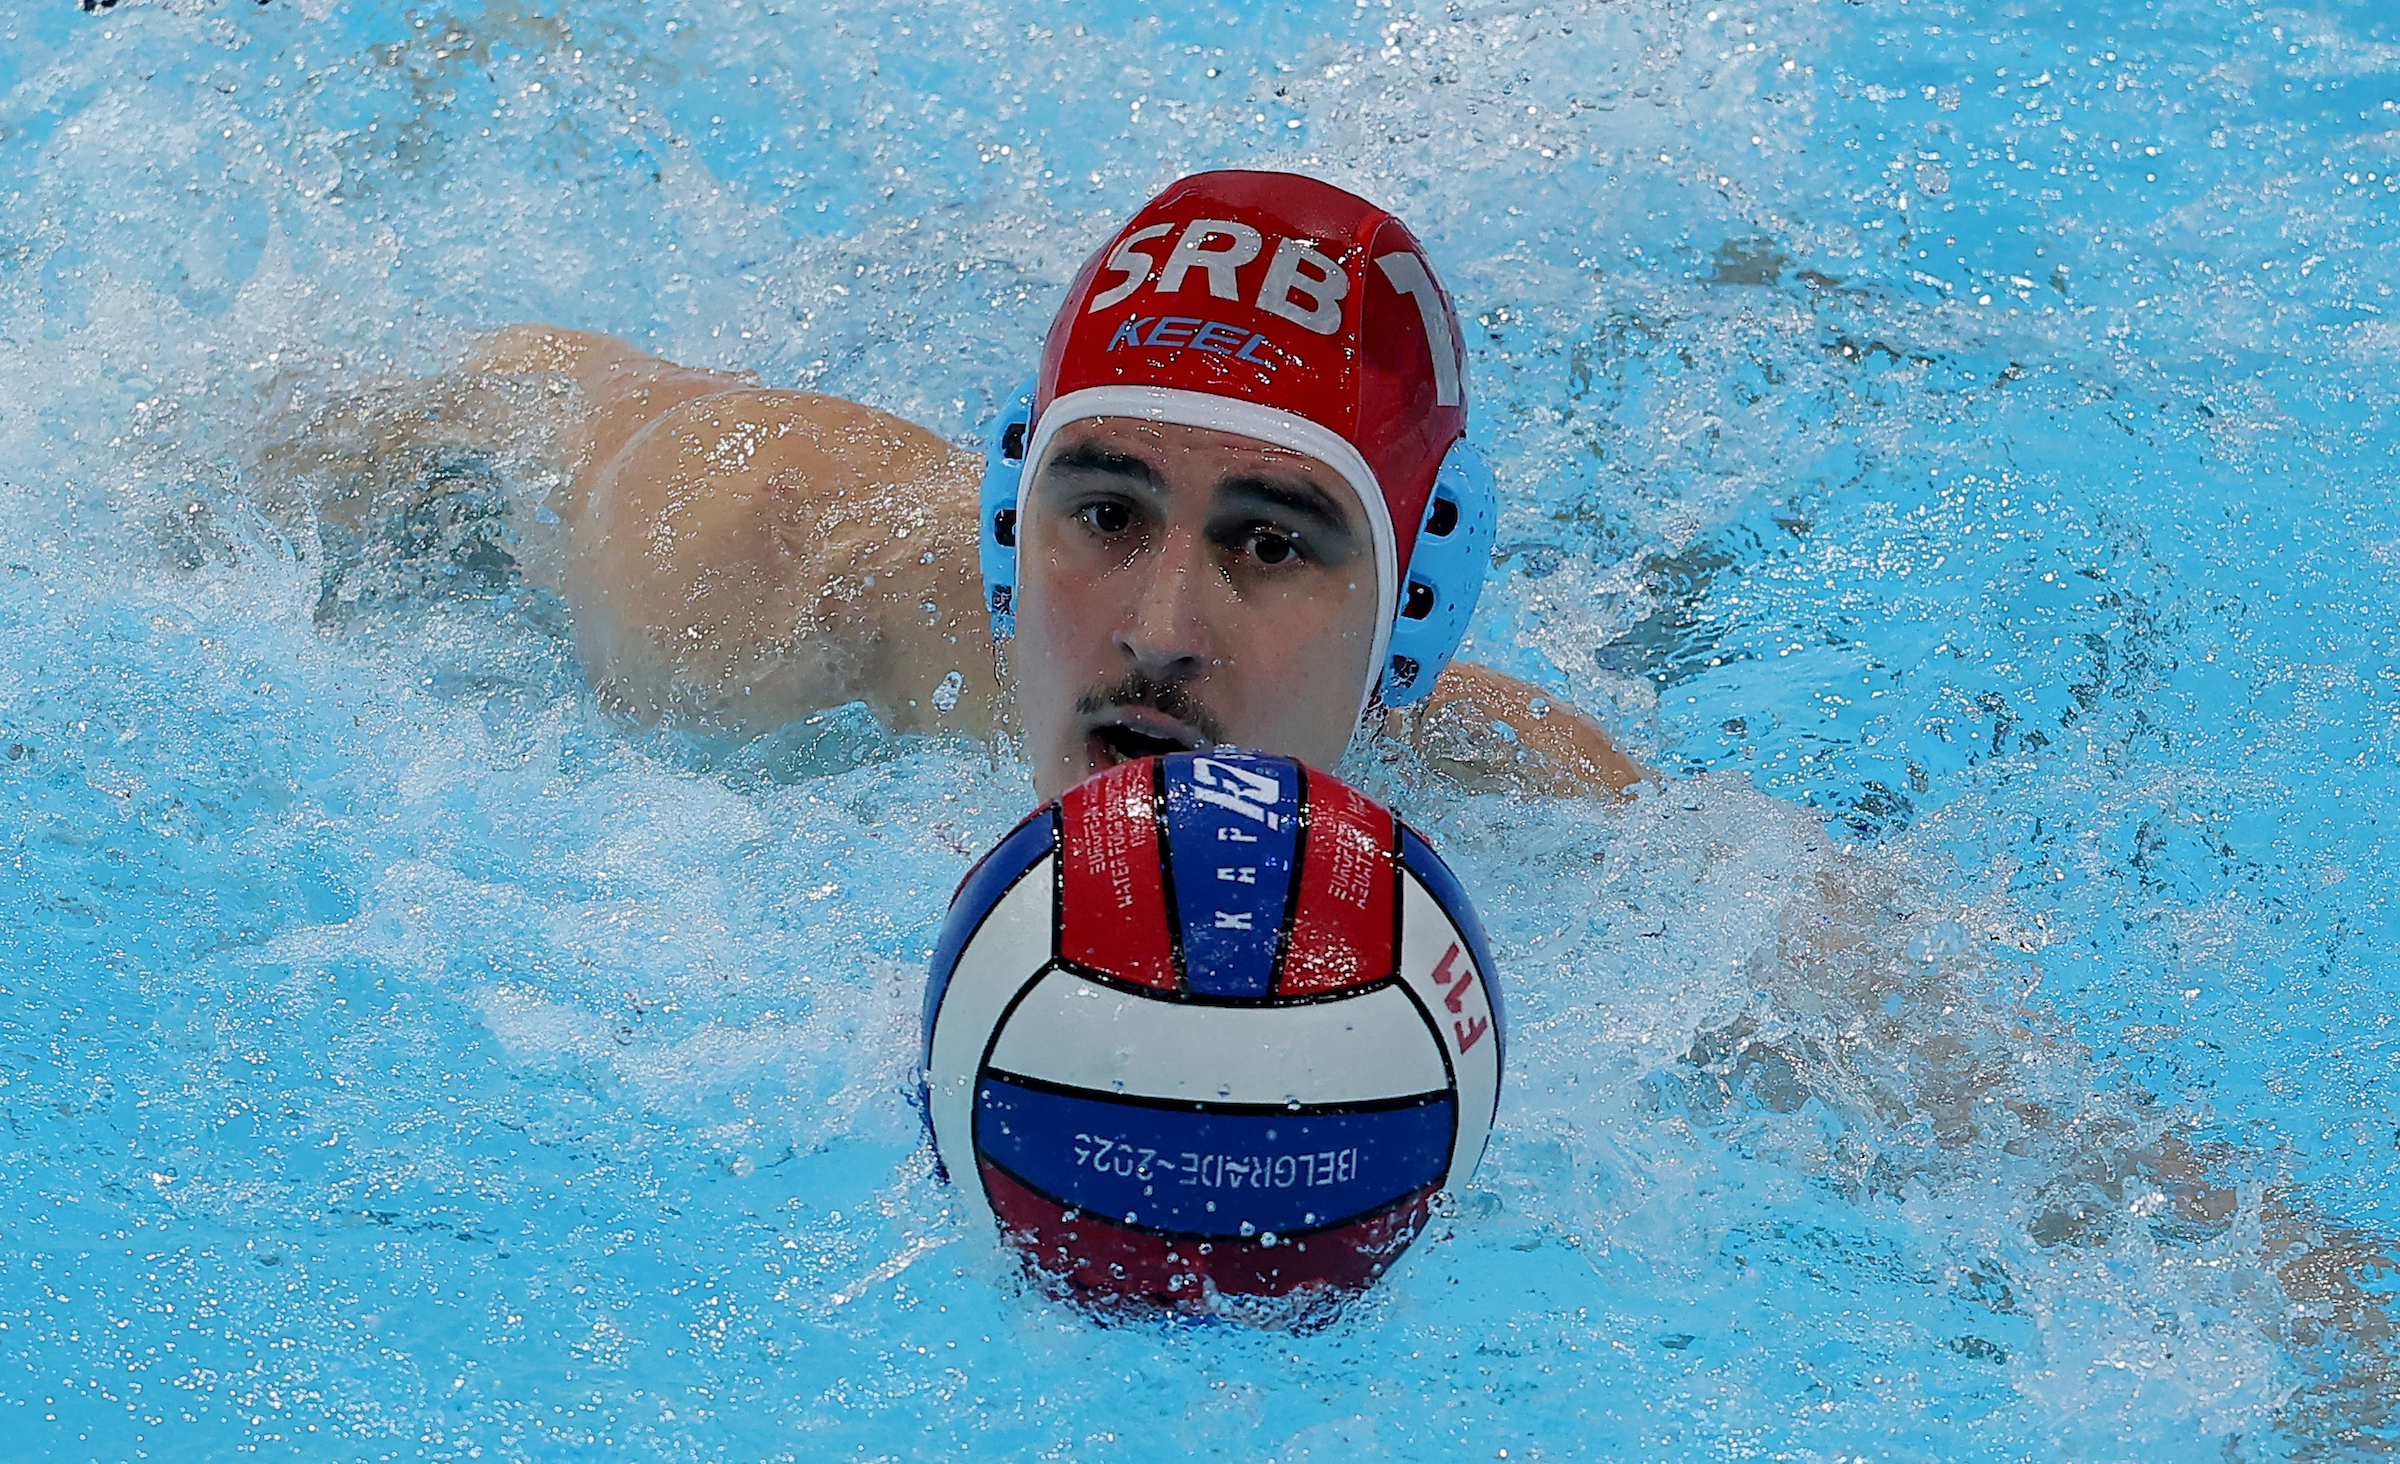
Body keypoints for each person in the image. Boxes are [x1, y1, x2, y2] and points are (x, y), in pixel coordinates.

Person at [261, 170, 1642, 802]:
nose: (1159, 631)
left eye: (1272, 546)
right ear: (1006, 524)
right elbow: (506, 394)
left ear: (1418, 610)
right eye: (1103, 513)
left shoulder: (1526, 801)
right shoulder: (754, 578)